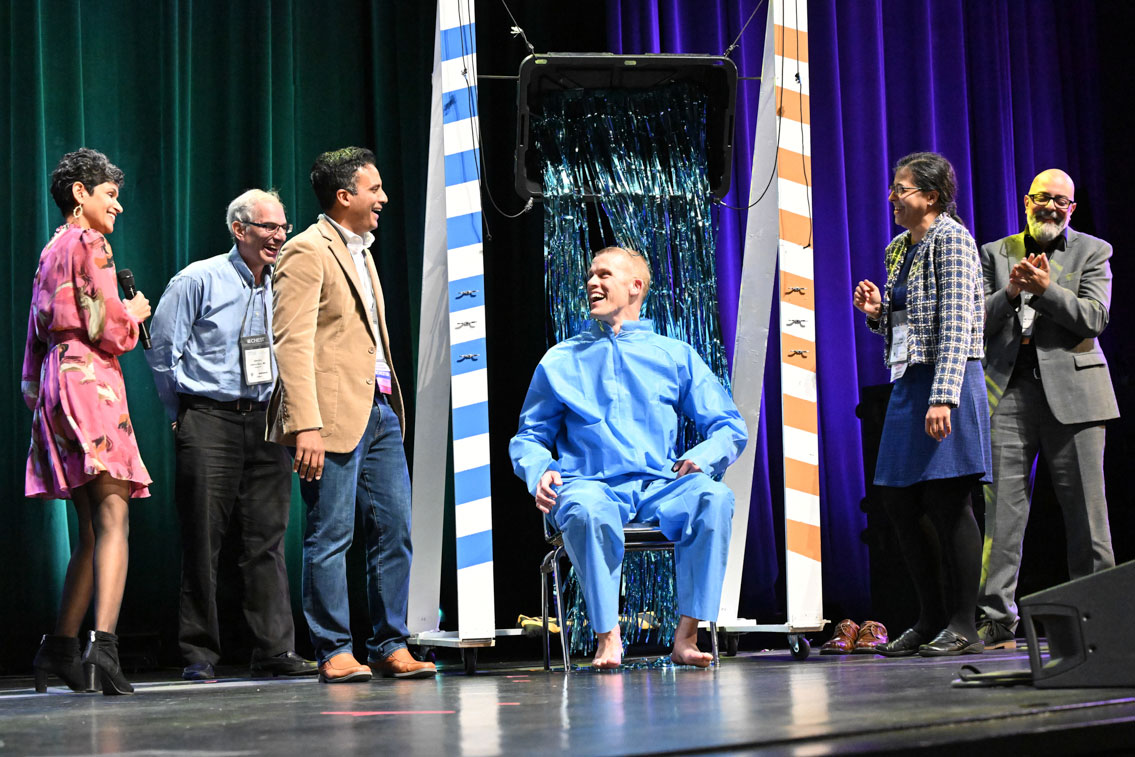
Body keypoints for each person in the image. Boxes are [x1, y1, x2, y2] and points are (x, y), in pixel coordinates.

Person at [510, 246, 747, 669]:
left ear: (635, 286)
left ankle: (686, 637)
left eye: (604, 274)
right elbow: (530, 436)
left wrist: (703, 456)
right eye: (590, 275)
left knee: (714, 498)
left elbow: (729, 426)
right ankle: (608, 637)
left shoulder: (673, 355)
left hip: (659, 487)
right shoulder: (560, 360)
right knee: (587, 510)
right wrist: (540, 469)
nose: (591, 282)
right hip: (589, 485)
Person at [267, 147, 435, 682]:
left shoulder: (362, 251)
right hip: (331, 416)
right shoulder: (306, 250)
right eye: (374, 189)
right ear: (344, 196)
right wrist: (305, 424)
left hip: (380, 408)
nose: (383, 198)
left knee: (395, 530)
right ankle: (334, 648)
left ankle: (389, 644)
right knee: (331, 532)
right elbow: (291, 342)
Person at [146, 189, 317, 680]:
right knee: (204, 540)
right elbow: (162, 352)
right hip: (209, 418)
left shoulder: (287, 283)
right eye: (269, 227)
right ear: (239, 230)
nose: (279, 236)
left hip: (267, 421)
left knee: (266, 540)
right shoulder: (198, 279)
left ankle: (274, 650)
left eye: (283, 226)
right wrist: (180, 414)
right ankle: (199, 654)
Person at [22, 148, 152, 695]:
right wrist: (134, 316)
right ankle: (104, 648)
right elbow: (108, 327)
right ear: (81, 193)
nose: (117, 206)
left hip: (56, 383)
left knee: (90, 530)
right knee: (115, 517)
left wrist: (41, 397)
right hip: (89, 380)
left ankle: (59, 648)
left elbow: (34, 340)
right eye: (110, 195)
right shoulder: (91, 243)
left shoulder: (50, 249)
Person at [853, 152, 991, 657]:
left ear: (931, 197)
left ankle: (964, 623)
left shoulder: (952, 240)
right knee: (898, 500)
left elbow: (956, 324)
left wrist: (944, 396)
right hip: (909, 381)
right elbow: (907, 324)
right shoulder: (898, 248)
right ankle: (929, 617)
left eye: (902, 189)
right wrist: (877, 313)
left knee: (949, 501)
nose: (892, 197)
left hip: (947, 379)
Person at [976, 169, 1117, 649]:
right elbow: (976, 321)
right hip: (1008, 393)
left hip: (1076, 397)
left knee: (1087, 517)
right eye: (1043, 198)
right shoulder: (995, 253)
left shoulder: (1093, 251)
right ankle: (997, 621)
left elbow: (1095, 318)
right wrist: (1011, 292)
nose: (1051, 207)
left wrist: (1046, 290)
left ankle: (1099, 620)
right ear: (1027, 201)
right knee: (1001, 515)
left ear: (1071, 208)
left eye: (1061, 201)